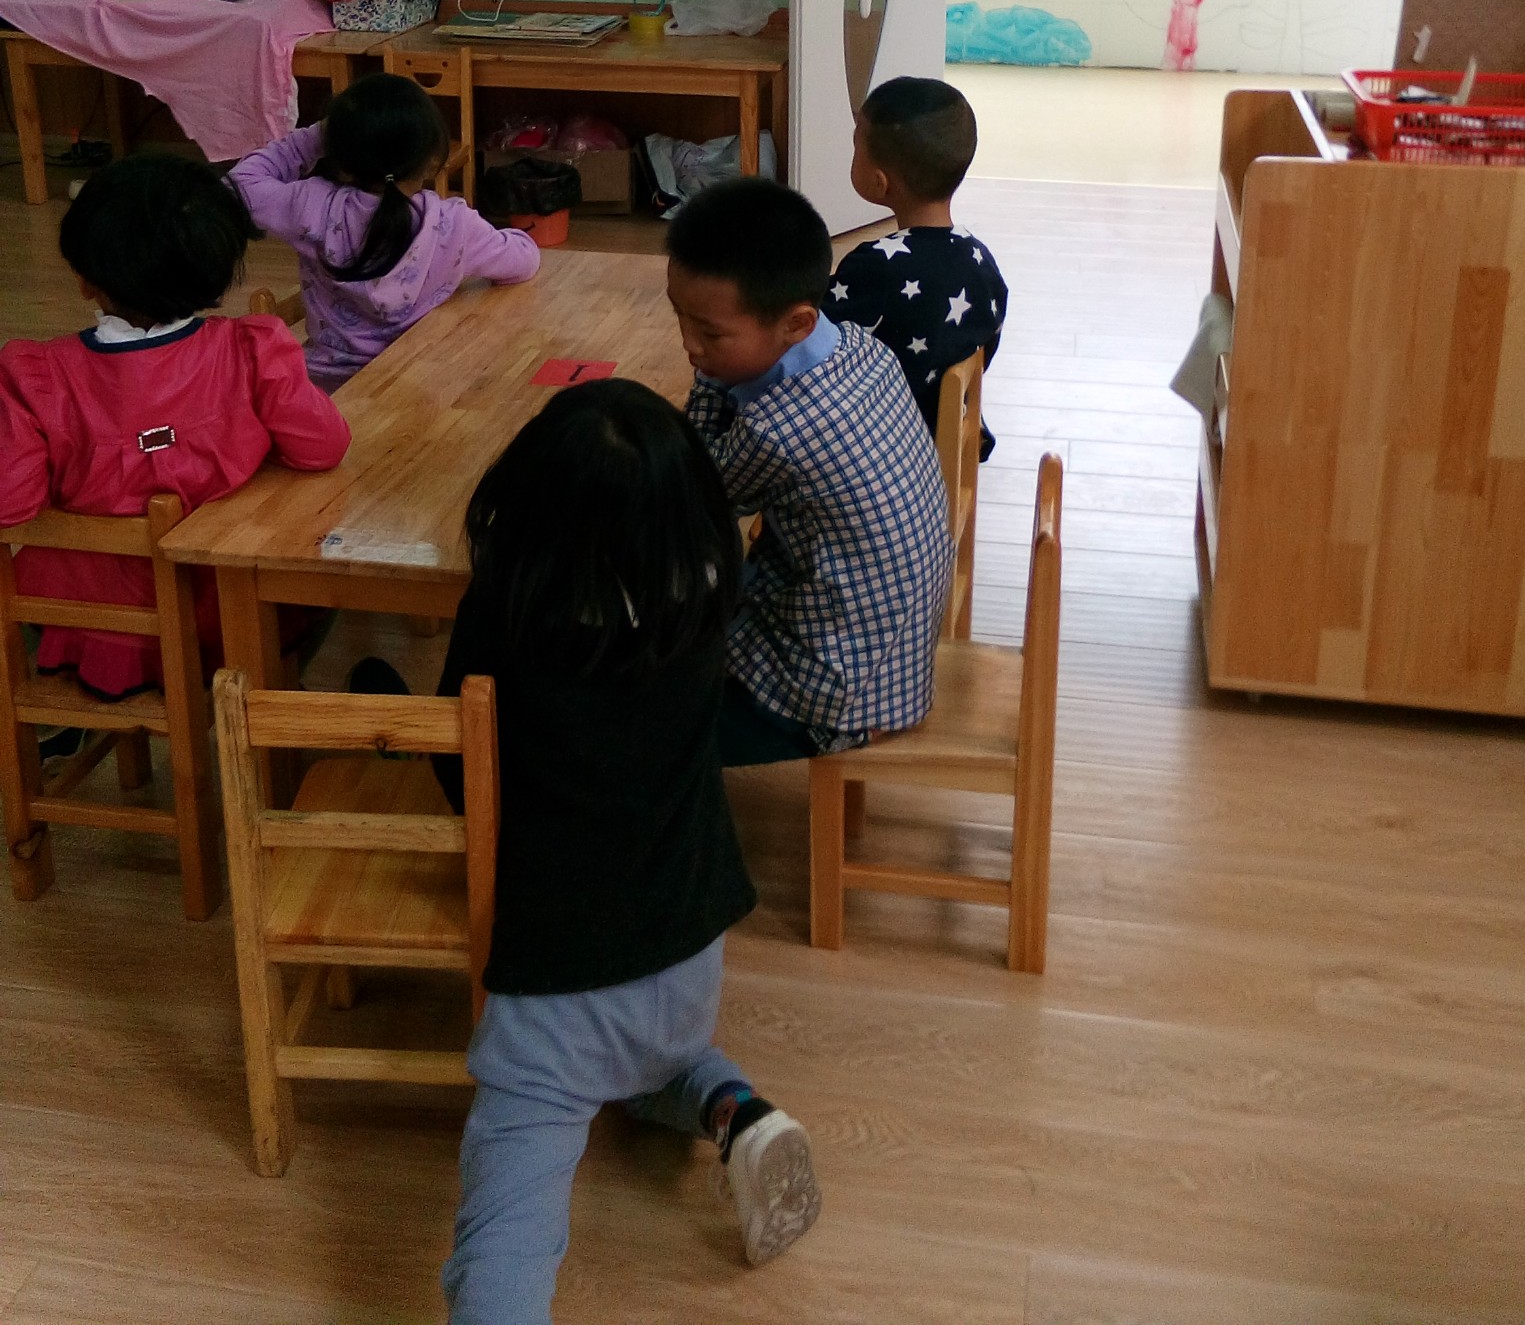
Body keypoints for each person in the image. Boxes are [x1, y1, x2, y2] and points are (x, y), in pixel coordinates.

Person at [433, 380, 819, 1322]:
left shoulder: (506, 611)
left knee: (510, 1217)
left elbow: (460, 766)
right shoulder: (705, 593)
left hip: (559, 977)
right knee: (651, 1066)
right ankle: (735, 1109)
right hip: (688, 952)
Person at [0, 153, 350, 700]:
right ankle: (262, 695)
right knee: (323, 572)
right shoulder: (252, 349)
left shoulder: (34, 375)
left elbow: (11, 503)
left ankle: (63, 720)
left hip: (91, 618)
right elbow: (324, 447)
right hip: (228, 611)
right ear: (218, 272)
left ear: (84, 280)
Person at [665, 178, 953, 766]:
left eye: (710, 333)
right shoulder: (860, 347)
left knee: (634, 728)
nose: (689, 346)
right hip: (891, 652)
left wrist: (711, 383)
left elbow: (693, 492)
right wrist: (720, 362)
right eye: (680, 317)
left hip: (833, 697)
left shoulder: (777, 429)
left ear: (796, 323)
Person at [230, 71, 538, 390]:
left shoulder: (311, 205)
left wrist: (317, 136)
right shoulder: (453, 224)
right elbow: (524, 261)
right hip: (416, 388)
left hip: (325, 390)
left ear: (341, 161)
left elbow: (238, 186)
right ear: (432, 161)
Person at [827, 75, 1009, 459]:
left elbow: (814, 341)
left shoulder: (873, 268)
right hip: (949, 439)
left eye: (856, 145)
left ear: (880, 182)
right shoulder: (982, 262)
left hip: (884, 450)